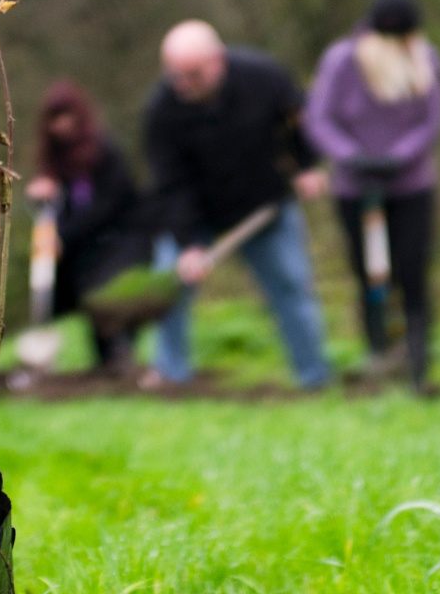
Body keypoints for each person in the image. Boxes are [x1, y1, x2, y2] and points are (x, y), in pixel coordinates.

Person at [142, 20, 331, 389]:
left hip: (265, 208)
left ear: (218, 61)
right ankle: (171, 376)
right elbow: (170, 185)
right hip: (200, 215)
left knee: (292, 286)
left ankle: (314, 379)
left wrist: (307, 166)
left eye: (192, 74)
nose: (183, 84)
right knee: (167, 283)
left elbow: (300, 119)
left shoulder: (263, 77)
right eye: (175, 75)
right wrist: (189, 245)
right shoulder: (162, 110)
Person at [304, 0, 440, 393]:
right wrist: (353, 157)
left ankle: (418, 368)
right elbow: (320, 118)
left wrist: (399, 157)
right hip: (357, 189)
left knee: (411, 271)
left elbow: (431, 118)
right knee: (369, 274)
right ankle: (378, 358)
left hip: (410, 185)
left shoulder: (424, 58)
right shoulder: (343, 60)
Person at [25, 80, 152, 371]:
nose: (61, 126)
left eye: (66, 116)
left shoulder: (106, 153)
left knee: (106, 294)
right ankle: (103, 363)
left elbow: (109, 205)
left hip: (120, 240)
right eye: (54, 119)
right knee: (72, 291)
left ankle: (120, 359)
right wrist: (40, 198)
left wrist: (63, 235)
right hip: (80, 247)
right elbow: (52, 210)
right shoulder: (53, 161)